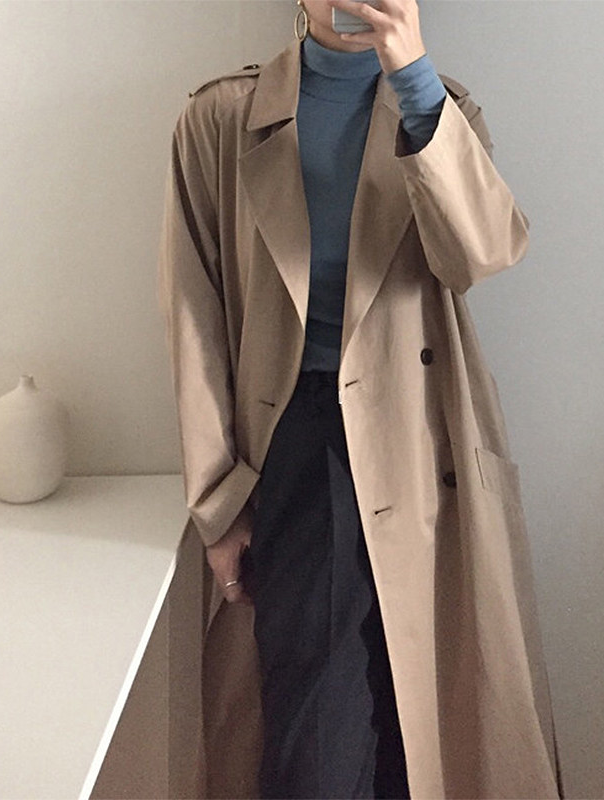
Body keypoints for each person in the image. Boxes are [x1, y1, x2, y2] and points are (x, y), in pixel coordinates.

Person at [157, 1, 564, 798]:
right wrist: (217, 503)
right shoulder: (221, 117)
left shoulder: (442, 106)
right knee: (315, 736)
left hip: (426, 442)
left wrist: (413, 77)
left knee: (427, 731)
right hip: (299, 446)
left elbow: (482, 253)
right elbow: (191, 314)